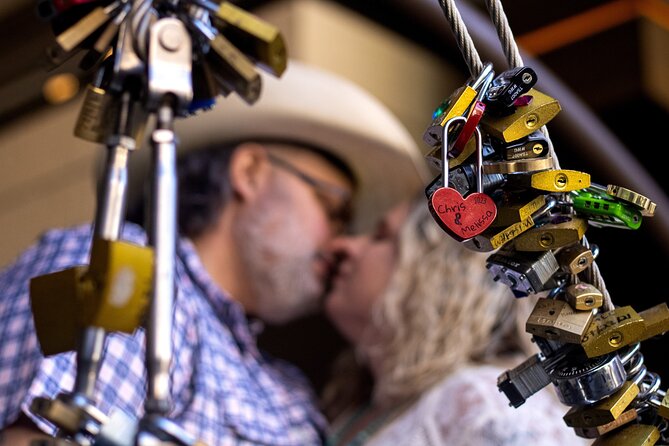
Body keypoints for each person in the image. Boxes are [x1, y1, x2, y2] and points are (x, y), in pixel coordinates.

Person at [0, 60, 429, 445]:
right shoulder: (125, 269)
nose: (339, 242)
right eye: (332, 209)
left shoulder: (289, 391)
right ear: (250, 173)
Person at [321, 195, 590, 446]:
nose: (345, 246)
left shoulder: (483, 401)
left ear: (434, 271)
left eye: (381, 236)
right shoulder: (364, 400)